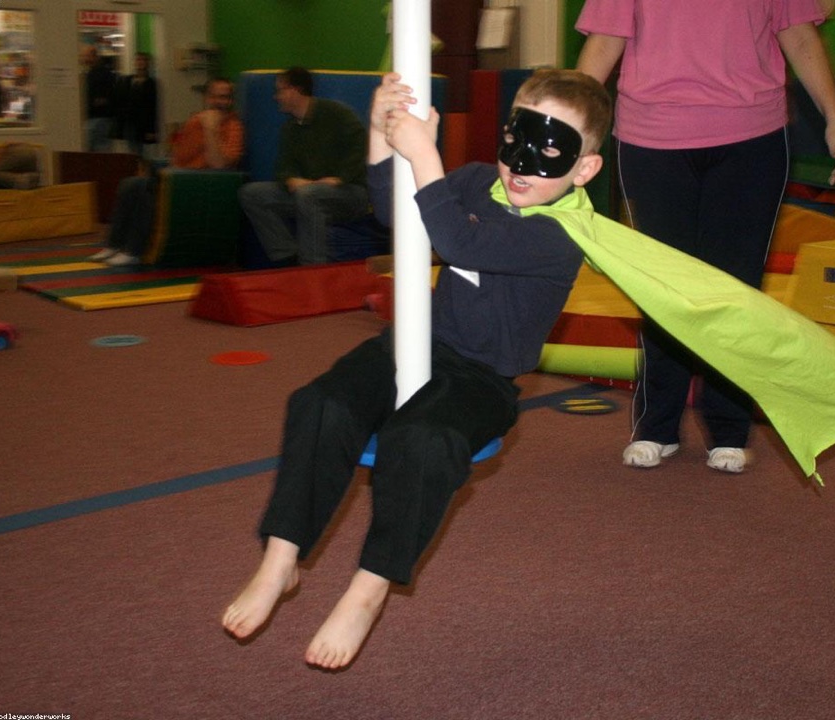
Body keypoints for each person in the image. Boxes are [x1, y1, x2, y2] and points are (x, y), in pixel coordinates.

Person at [222, 68, 610, 670]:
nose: (522, 166)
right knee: (319, 403)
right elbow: (397, 213)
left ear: (583, 169)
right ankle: (280, 559)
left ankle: (369, 587)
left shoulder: (566, 234)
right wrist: (384, 135)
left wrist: (426, 153)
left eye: (549, 151)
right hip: (413, 343)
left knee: (421, 442)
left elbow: (461, 244)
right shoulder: (482, 179)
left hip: (482, 379)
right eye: (517, 141)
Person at [576, 0, 835, 474]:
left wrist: (834, 117)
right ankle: (655, 426)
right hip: (654, 138)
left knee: (737, 287)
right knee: (662, 288)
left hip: (751, 137)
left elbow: (800, 36)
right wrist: (571, 124)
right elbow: (604, 42)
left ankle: (729, 427)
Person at [90, 77, 244, 266]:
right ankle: (114, 244)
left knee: (150, 187)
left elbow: (220, 164)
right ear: (207, 98)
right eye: (216, 97)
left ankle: (134, 250)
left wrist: (211, 128)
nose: (221, 102)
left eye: (226, 97)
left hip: (208, 184)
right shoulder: (196, 121)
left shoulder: (233, 125)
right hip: (184, 177)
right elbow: (178, 157)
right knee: (130, 183)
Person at [237, 67, 369, 266]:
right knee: (252, 193)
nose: (276, 96)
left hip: (349, 194)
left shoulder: (336, 114)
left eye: (280, 90)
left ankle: (313, 267)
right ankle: (286, 255)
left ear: (295, 90)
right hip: (309, 192)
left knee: (309, 195)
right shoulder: (290, 128)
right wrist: (291, 180)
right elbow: (284, 167)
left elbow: (362, 146)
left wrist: (340, 178)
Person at [115, 52, 159, 158]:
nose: (140, 62)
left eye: (143, 60)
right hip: (129, 123)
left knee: (143, 154)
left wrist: (151, 129)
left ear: (148, 63)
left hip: (143, 123)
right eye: (138, 60)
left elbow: (152, 107)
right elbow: (122, 101)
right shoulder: (127, 80)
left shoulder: (150, 83)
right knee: (132, 153)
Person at [82, 46, 116, 152]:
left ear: (94, 56)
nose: (84, 59)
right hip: (94, 118)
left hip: (101, 119)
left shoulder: (104, 74)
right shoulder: (91, 73)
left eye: (86, 56)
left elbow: (111, 95)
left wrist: (101, 100)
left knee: (100, 151)